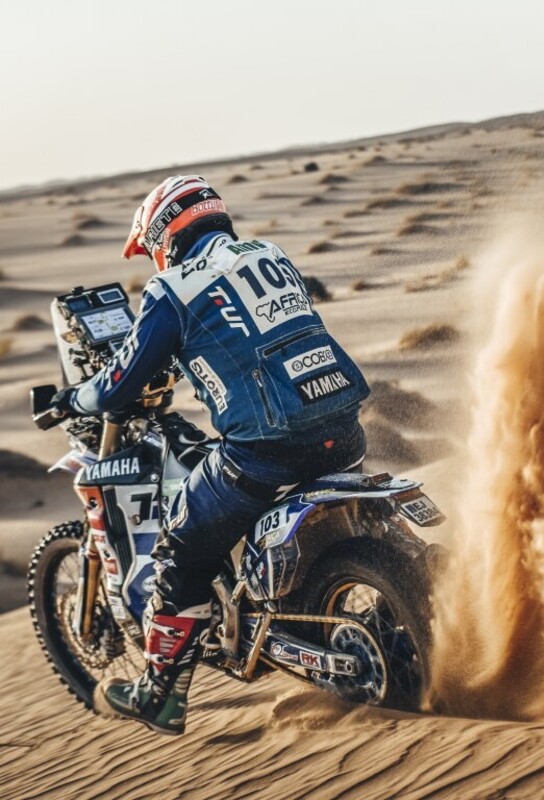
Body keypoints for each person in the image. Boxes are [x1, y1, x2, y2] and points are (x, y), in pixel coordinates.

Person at [53, 175, 370, 735]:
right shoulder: (269, 254)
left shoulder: (172, 289)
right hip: (344, 434)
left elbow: (117, 384)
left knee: (181, 545)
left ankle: (160, 695)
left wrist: (73, 398)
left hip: (268, 452)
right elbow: (246, 332)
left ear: (164, 235)